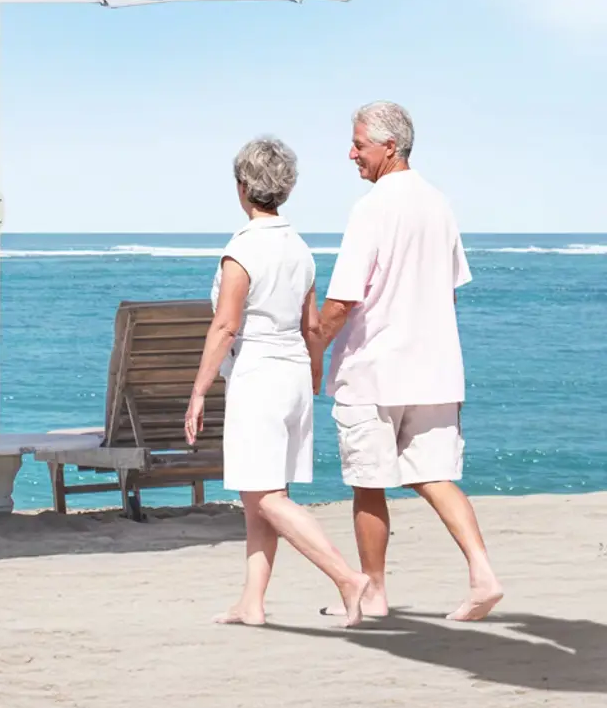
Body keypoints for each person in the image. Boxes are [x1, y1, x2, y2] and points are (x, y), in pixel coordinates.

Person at [315, 101, 503, 622]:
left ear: (389, 146)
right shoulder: (439, 204)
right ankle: (483, 574)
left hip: (374, 370)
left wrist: (312, 350)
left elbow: (343, 299)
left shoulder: (371, 207)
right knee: (436, 475)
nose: (351, 154)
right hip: (436, 369)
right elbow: (449, 291)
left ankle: (374, 593)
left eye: (359, 144)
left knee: (368, 482)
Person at [185, 137, 370, 628]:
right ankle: (252, 602)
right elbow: (311, 326)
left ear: (242, 187)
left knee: (267, 497)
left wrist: (199, 391)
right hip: (291, 375)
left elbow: (225, 326)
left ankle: (348, 578)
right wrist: (314, 371)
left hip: (259, 377)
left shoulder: (242, 250)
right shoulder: (299, 249)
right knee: (260, 497)